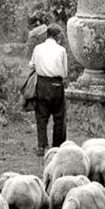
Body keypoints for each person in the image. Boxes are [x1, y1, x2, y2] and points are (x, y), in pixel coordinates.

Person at [28, 24, 68, 156]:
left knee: (41, 116)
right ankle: (57, 147)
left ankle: (41, 146)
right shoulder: (61, 50)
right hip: (56, 84)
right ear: (57, 36)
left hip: (42, 84)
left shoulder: (38, 48)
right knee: (59, 117)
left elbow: (31, 65)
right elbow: (65, 73)